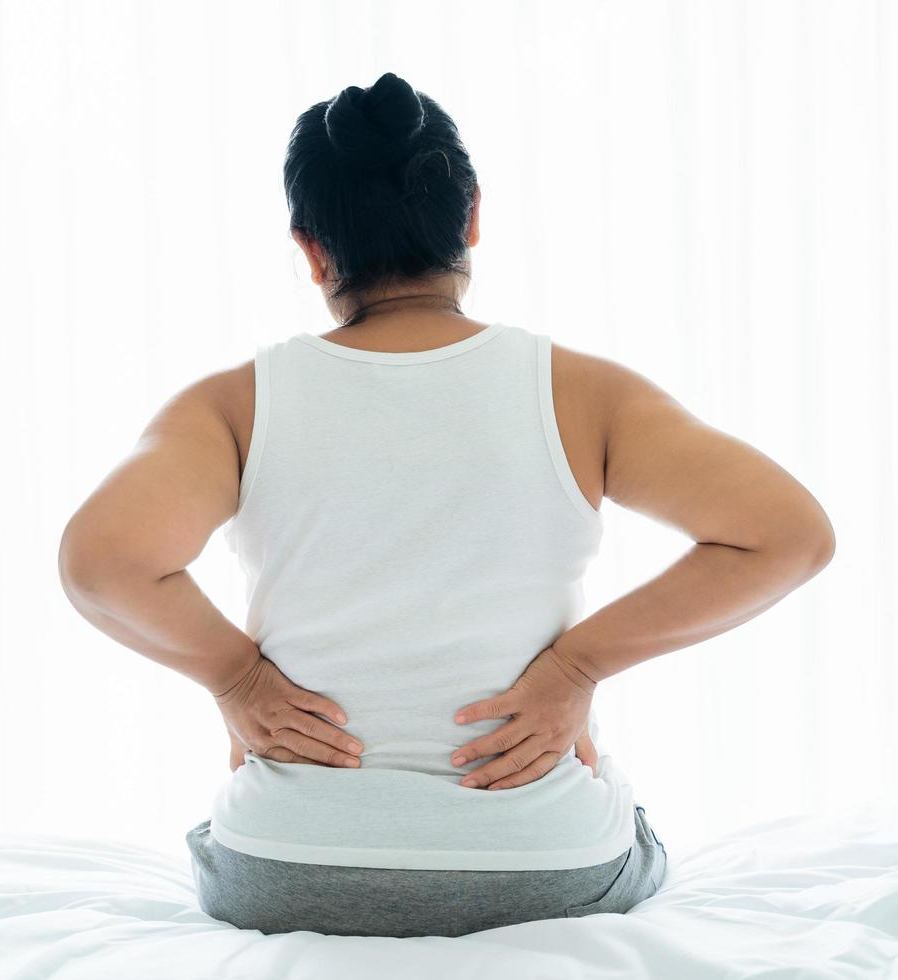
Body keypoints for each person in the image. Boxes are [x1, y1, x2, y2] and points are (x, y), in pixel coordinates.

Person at [57, 71, 835, 938]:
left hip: (284, 871)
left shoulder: (235, 405)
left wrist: (234, 677)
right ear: (469, 221)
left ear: (312, 251)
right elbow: (789, 536)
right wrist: (576, 669)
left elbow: (102, 561)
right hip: (547, 867)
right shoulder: (581, 393)